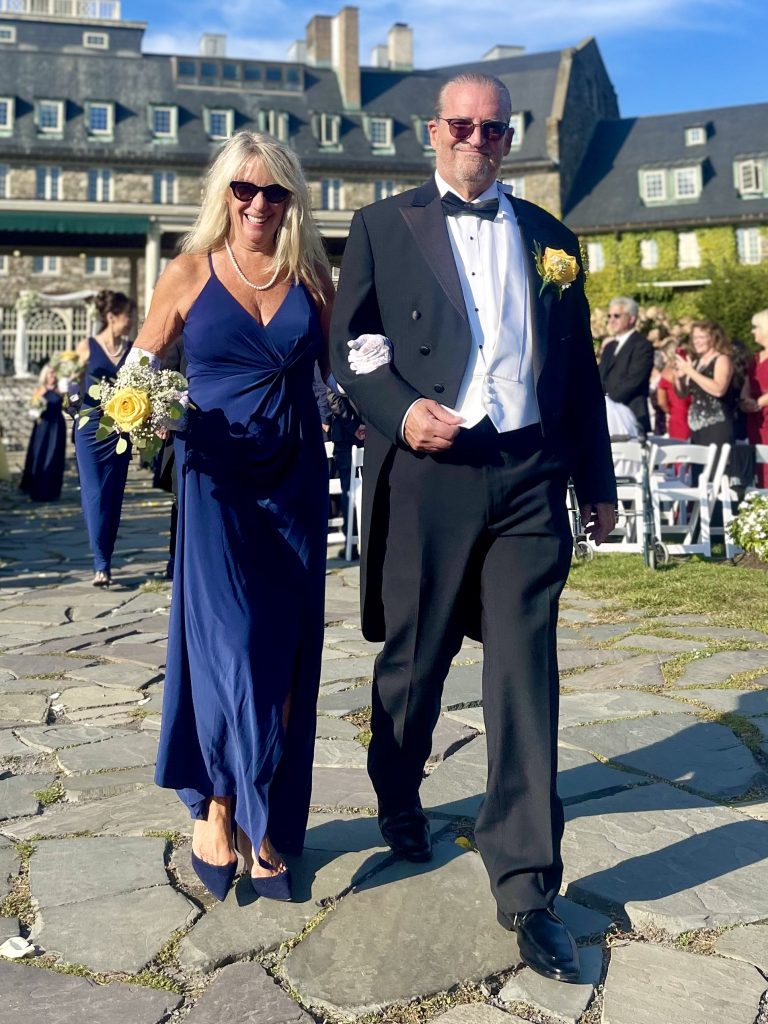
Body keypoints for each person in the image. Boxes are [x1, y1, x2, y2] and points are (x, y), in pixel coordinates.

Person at [329, 72, 616, 984]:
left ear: (509, 138)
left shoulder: (552, 238)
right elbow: (354, 347)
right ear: (433, 131)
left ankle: (527, 883)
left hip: (530, 475)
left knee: (525, 670)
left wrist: (597, 483)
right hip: (432, 473)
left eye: (494, 130)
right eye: (463, 126)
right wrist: (397, 410)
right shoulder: (383, 225)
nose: (478, 142)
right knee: (417, 659)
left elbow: (574, 376)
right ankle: (397, 786)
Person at [138, 132, 334, 903]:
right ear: (223, 193)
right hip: (215, 484)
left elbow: (352, 371)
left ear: (292, 201)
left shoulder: (313, 279)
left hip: (293, 487)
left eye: (274, 193)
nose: (257, 204)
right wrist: (147, 414)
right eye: (243, 190)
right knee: (233, 647)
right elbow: (140, 373)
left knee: (280, 656)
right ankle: (220, 806)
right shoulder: (186, 272)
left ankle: (264, 814)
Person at [74, 290, 134, 587]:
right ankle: (100, 563)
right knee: (94, 493)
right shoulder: (85, 347)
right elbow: (69, 384)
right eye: (127, 316)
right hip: (89, 430)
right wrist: (71, 401)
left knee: (112, 494)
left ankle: (105, 560)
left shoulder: (133, 350)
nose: (131, 322)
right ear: (112, 318)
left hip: (120, 431)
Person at [674, 319, 734, 449]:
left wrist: (690, 371)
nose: (696, 341)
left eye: (701, 337)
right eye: (694, 337)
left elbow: (719, 389)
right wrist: (680, 378)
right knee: (699, 468)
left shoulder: (722, 359)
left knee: (715, 468)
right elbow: (683, 394)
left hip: (716, 425)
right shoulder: (696, 362)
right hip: (696, 426)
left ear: (713, 338)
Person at [598, 296, 654, 433]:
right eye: (609, 316)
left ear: (631, 318)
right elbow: (600, 377)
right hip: (607, 416)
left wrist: (608, 403)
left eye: (616, 316)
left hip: (631, 413)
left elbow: (634, 380)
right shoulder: (609, 346)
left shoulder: (642, 345)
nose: (611, 320)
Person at [19, 363, 66, 502]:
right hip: (43, 426)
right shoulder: (40, 390)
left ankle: (52, 490)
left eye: (54, 373)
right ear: (45, 375)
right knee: (40, 455)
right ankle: (36, 488)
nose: (53, 376)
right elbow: (33, 409)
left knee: (55, 456)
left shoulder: (60, 390)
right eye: (50, 373)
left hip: (57, 427)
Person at [741, 308, 768, 486]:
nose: (752, 331)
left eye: (755, 327)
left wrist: (760, 402)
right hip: (756, 419)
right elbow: (747, 383)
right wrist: (746, 400)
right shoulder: (755, 358)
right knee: (760, 467)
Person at [656, 340, 692, 440]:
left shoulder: (666, 372)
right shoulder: (689, 368)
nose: (662, 358)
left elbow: (661, 401)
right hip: (692, 414)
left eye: (663, 355)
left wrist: (669, 411)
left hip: (677, 416)